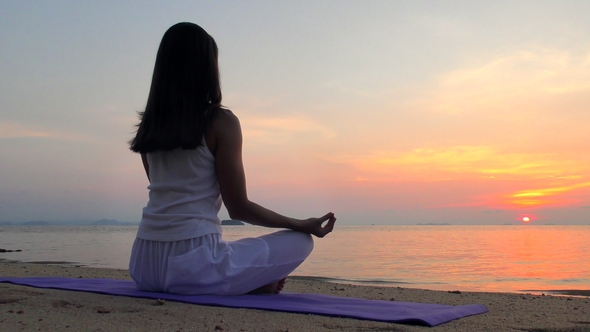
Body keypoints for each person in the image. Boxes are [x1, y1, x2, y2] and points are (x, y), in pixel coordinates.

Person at [128, 22, 337, 295]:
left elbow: (168, 197)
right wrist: (301, 224)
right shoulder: (221, 122)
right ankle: (249, 283)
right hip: (194, 267)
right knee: (300, 241)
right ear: (207, 68)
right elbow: (238, 208)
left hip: (143, 265)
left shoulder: (149, 128)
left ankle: (248, 281)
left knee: (234, 249)